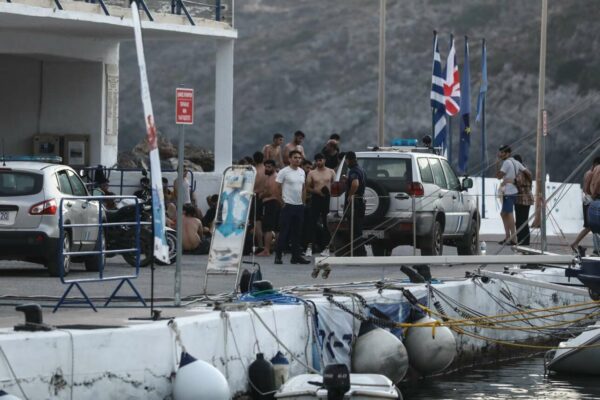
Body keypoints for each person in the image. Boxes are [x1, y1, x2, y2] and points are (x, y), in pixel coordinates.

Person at [274, 150, 310, 264]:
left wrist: (303, 202)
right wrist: (282, 202)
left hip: (299, 206)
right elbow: (277, 187)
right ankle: (278, 256)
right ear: (290, 159)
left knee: (297, 232)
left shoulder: (302, 171)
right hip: (288, 205)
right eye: (295, 157)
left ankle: (296, 257)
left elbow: (303, 188)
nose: (297, 160)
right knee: (284, 232)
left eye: (299, 158)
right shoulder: (284, 171)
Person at [306, 153, 336, 255]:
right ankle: (310, 247)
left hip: (327, 198)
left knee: (326, 223)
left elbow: (335, 184)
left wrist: (330, 193)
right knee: (312, 223)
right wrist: (317, 191)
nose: (319, 162)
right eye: (317, 160)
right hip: (316, 198)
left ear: (324, 160)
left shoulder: (331, 171)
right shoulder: (312, 173)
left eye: (321, 160)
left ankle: (326, 247)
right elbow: (307, 187)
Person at [496, 145, 525, 245]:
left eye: (502, 153)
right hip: (514, 191)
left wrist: (497, 165)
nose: (500, 154)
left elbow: (498, 176)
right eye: (500, 152)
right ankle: (508, 237)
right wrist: (516, 180)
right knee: (503, 214)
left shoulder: (506, 162)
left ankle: (513, 238)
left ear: (507, 153)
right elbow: (527, 172)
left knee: (509, 213)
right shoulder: (516, 162)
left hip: (509, 192)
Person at [571, 157, 600, 253]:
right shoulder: (591, 173)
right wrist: (593, 195)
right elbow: (586, 189)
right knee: (593, 225)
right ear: (596, 164)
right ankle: (596, 249)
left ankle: (576, 243)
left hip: (587, 200)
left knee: (590, 226)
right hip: (590, 200)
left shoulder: (589, 173)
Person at [344, 151, 367, 256]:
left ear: (348, 160)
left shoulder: (353, 171)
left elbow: (355, 183)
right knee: (357, 229)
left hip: (355, 203)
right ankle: (359, 253)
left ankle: (360, 254)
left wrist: (350, 195)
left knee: (355, 231)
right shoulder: (361, 169)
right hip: (360, 202)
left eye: (346, 160)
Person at [256, 160, 280, 256]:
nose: (267, 168)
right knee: (276, 228)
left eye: (269, 167)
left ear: (274, 167)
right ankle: (276, 249)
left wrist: (261, 195)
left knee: (268, 228)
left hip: (271, 203)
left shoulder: (274, 177)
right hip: (273, 203)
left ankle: (266, 250)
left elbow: (271, 192)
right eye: (266, 166)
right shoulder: (269, 177)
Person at [513, 155, 534, 246]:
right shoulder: (524, 169)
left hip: (523, 198)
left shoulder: (521, 170)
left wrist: (511, 181)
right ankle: (522, 240)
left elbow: (519, 182)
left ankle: (524, 241)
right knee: (520, 220)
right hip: (521, 198)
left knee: (522, 221)